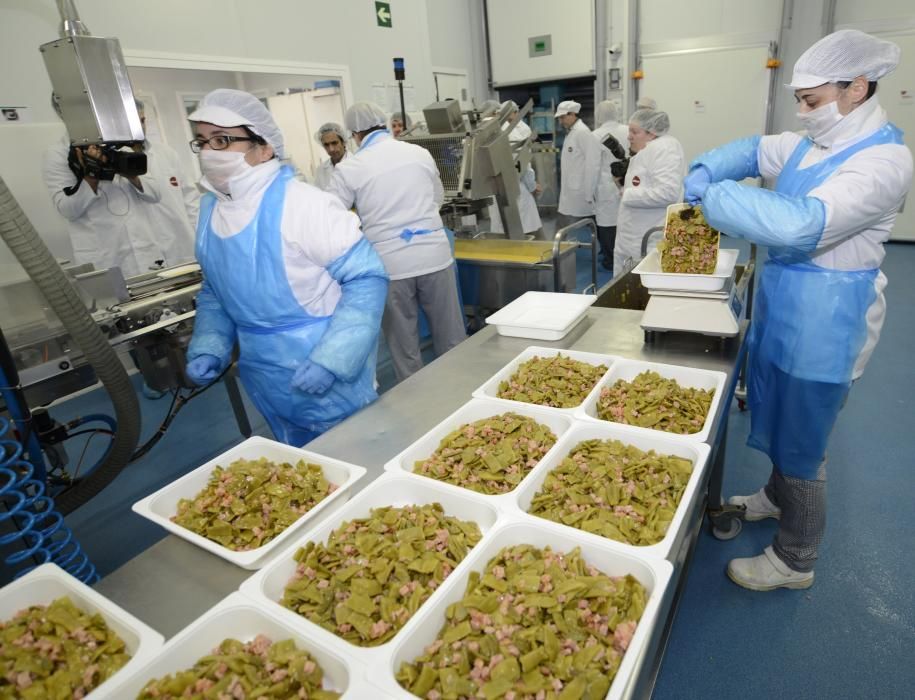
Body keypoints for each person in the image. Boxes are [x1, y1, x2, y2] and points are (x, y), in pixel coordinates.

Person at [683, 30, 913, 591]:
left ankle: (795, 558)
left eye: (812, 101)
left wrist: (712, 199)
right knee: (775, 408)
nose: (803, 113)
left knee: (804, 442)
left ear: (856, 89)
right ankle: (772, 495)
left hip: (828, 325)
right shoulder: (816, 143)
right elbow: (758, 149)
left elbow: (800, 224)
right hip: (786, 305)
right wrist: (710, 166)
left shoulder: (885, 161)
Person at [183, 89, 388, 446]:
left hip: (325, 369)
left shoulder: (305, 205)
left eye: (222, 140)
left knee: (356, 456)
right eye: (201, 141)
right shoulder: (209, 210)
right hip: (264, 375)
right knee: (300, 469)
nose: (208, 152)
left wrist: (334, 358)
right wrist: (210, 344)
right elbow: (216, 291)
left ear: (264, 148)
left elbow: (367, 278)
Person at [328, 101, 466, 383]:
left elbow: (331, 218)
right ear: (386, 124)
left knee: (404, 343)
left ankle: (414, 402)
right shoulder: (419, 153)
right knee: (450, 334)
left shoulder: (351, 167)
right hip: (435, 257)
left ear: (354, 134)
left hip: (390, 266)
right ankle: (459, 394)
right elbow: (437, 198)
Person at [43, 95, 167, 278]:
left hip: (145, 249)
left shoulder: (121, 143)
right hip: (103, 257)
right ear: (63, 114)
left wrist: (130, 175)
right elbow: (67, 210)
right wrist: (91, 176)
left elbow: (155, 194)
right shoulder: (58, 154)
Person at [614, 108, 685, 273]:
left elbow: (667, 193)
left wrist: (628, 194)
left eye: (634, 132)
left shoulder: (664, 149)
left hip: (647, 238)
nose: (628, 136)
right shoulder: (649, 150)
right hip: (635, 236)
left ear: (652, 133)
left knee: (642, 288)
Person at [134, 100, 198, 265]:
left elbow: (190, 199)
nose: (140, 127)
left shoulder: (166, 153)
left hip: (182, 246)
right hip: (145, 255)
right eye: (134, 122)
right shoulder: (110, 162)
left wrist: (200, 237)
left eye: (142, 120)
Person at [488, 100, 542, 236]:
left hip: (497, 187)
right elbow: (521, 164)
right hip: (515, 186)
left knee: (503, 229)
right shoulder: (512, 132)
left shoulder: (492, 130)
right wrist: (532, 185)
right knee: (520, 230)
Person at [591, 100, 630, 271]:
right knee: (625, 220)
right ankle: (626, 256)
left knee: (607, 224)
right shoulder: (628, 129)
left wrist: (589, 191)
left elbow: (592, 167)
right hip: (626, 182)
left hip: (605, 186)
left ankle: (609, 258)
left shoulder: (595, 135)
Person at [555, 100, 602, 242]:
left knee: (586, 223)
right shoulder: (571, 133)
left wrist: (589, 192)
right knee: (568, 224)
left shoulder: (582, 133)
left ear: (572, 114)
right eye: (560, 118)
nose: (561, 121)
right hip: (571, 191)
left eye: (563, 117)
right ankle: (562, 250)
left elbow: (593, 163)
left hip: (580, 191)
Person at [313, 122, 349, 190]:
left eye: (334, 143)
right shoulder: (321, 170)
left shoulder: (355, 164)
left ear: (343, 142)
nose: (331, 149)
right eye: (326, 145)